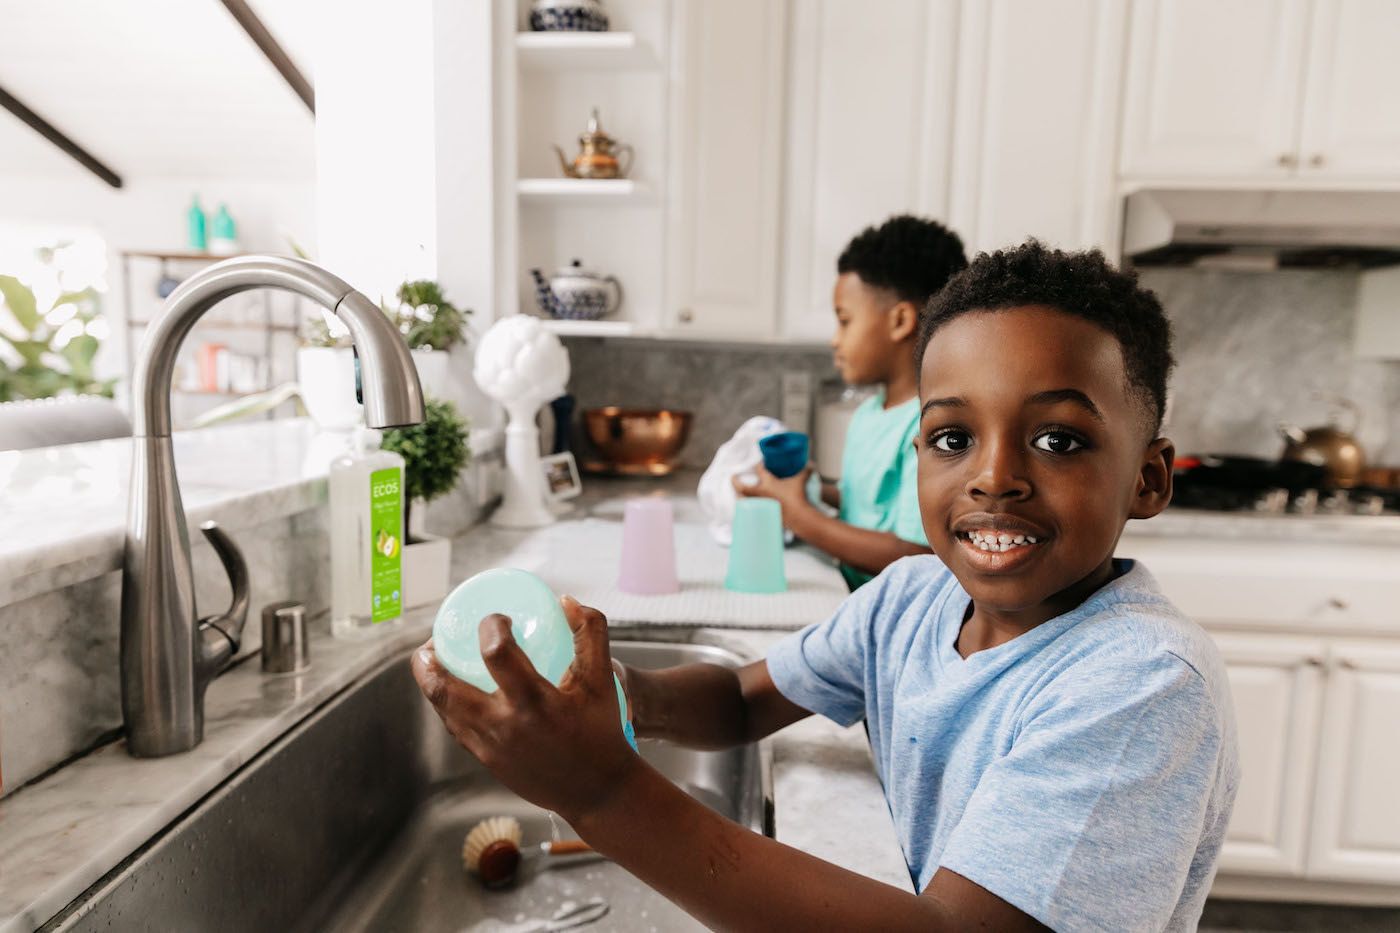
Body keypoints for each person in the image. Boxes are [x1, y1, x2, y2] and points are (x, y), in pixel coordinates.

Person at [412, 241, 1240, 932]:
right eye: (953, 435)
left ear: (1150, 479)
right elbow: (740, 701)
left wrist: (600, 791)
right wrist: (618, 692)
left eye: (1059, 440)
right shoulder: (911, 599)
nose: (994, 477)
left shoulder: (1143, 683)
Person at [737, 214, 968, 589]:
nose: (834, 339)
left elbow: (917, 555)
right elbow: (873, 506)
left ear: (899, 321)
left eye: (844, 320)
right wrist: (809, 490)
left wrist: (797, 514)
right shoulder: (868, 413)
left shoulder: (932, 425)